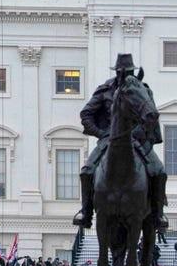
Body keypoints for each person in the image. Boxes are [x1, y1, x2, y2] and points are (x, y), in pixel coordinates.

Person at [72, 54, 168, 232]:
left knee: (159, 171)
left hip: (138, 139)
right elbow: (86, 114)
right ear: (117, 73)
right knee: (87, 171)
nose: (127, 75)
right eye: (124, 72)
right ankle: (86, 212)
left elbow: (151, 116)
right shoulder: (105, 90)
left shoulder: (143, 90)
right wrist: (101, 133)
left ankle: (157, 214)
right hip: (109, 139)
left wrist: (139, 132)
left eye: (131, 71)